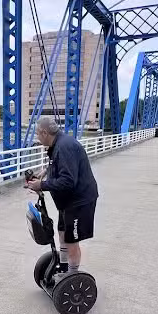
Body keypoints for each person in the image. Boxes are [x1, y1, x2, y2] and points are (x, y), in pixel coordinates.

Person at [26, 116, 98, 273]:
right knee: (62, 234)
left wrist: (41, 185)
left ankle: (72, 276)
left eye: (37, 134)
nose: (37, 137)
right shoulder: (58, 143)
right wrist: (45, 172)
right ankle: (64, 268)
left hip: (79, 201)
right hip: (67, 202)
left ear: (44, 133)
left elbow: (68, 181)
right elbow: (60, 164)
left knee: (72, 242)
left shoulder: (64, 147)